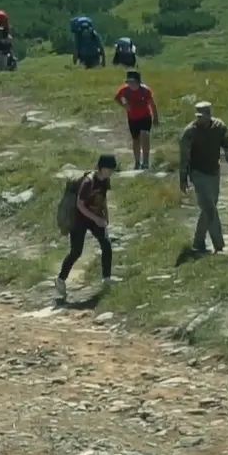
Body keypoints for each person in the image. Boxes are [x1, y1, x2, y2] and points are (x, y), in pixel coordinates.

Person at [179, 101, 228, 254]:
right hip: (197, 173)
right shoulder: (189, 132)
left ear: (209, 116)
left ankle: (198, 242)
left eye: (204, 116)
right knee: (210, 209)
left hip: (214, 171)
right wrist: (183, 178)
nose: (201, 120)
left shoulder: (219, 127)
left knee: (209, 208)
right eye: (198, 117)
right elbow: (184, 157)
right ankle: (219, 246)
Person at [55, 154, 117, 301]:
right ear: (101, 168)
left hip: (94, 217)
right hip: (79, 220)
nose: (110, 172)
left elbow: (103, 198)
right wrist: (96, 218)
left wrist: (105, 217)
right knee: (76, 252)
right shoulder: (88, 182)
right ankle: (60, 280)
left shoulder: (105, 181)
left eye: (112, 169)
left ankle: (106, 279)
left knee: (106, 245)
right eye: (109, 169)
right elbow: (79, 204)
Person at [114, 71, 158, 170]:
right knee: (136, 140)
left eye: (132, 82)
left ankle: (146, 161)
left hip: (145, 117)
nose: (130, 84)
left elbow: (152, 104)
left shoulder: (145, 91)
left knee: (145, 136)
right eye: (129, 82)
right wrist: (124, 105)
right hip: (133, 118)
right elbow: (117, 98)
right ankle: (137, 162)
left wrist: (155, 117)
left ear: (138, 82)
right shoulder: (124, 90)